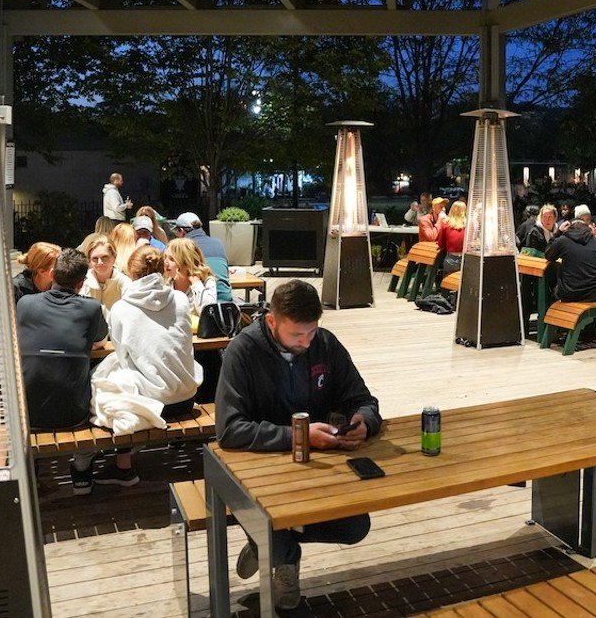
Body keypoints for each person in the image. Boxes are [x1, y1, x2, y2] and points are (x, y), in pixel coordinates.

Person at [214, 279, 381, 611]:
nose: (306, 342)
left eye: (311, 333)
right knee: (272, 528)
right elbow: (229, 430)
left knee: (355, 525)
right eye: (296, 335)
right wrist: (297, 435)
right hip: (259, 472)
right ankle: (281, 555)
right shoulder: (242, 351)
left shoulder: (326, 345)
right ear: (272, 321)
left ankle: (267, 542)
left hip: (317, 468)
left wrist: (364, 422)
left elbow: (363, 399)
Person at [91, 246, 201, 486]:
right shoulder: (180, 300)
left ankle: (124, 466)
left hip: (153, 404)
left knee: (110, 375)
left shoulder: (121, 309)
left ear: (131, 272)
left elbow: (122, 355)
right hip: (187, 396)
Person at [16, 248, 108, 495]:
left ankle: (31, 474)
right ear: (81, 283)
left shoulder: (25, 304)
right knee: (100, 378)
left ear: (54, 273)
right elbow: (100, 340)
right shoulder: (91, 309)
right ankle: (81, 470)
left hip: (28, 412)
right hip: (72, 413)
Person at [545, 210, 596, 302]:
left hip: (569, 294)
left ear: (569, 228)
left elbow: (548, 255)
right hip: (594, 295)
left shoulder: (563, 241)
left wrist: (558, 232)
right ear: (588, 228)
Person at [173, 212, 233, 302]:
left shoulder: (183, 248)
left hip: (202, 304)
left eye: (176, 232)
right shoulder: (218, 243)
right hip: (226, 301)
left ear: (181, 231)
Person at [78, 233, 130, 317]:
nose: (100, 262)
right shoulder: (82, 282)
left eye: (105, 257)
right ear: (89, 260)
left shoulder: (126, 284)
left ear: (114, 257)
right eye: (95, 258)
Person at [164, 237, 218, 314]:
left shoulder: (206, 282)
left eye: (172, 259)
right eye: (165, 257)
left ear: (187, 262)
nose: (165, 263)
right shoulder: (164, 283)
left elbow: (208, 312)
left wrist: (196, 284)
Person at [438, 200, 466, 275]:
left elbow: (441, 244)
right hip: (466, 260)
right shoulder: (468, 225)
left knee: (446, 279)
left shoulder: (446, 224)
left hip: (451, 259)